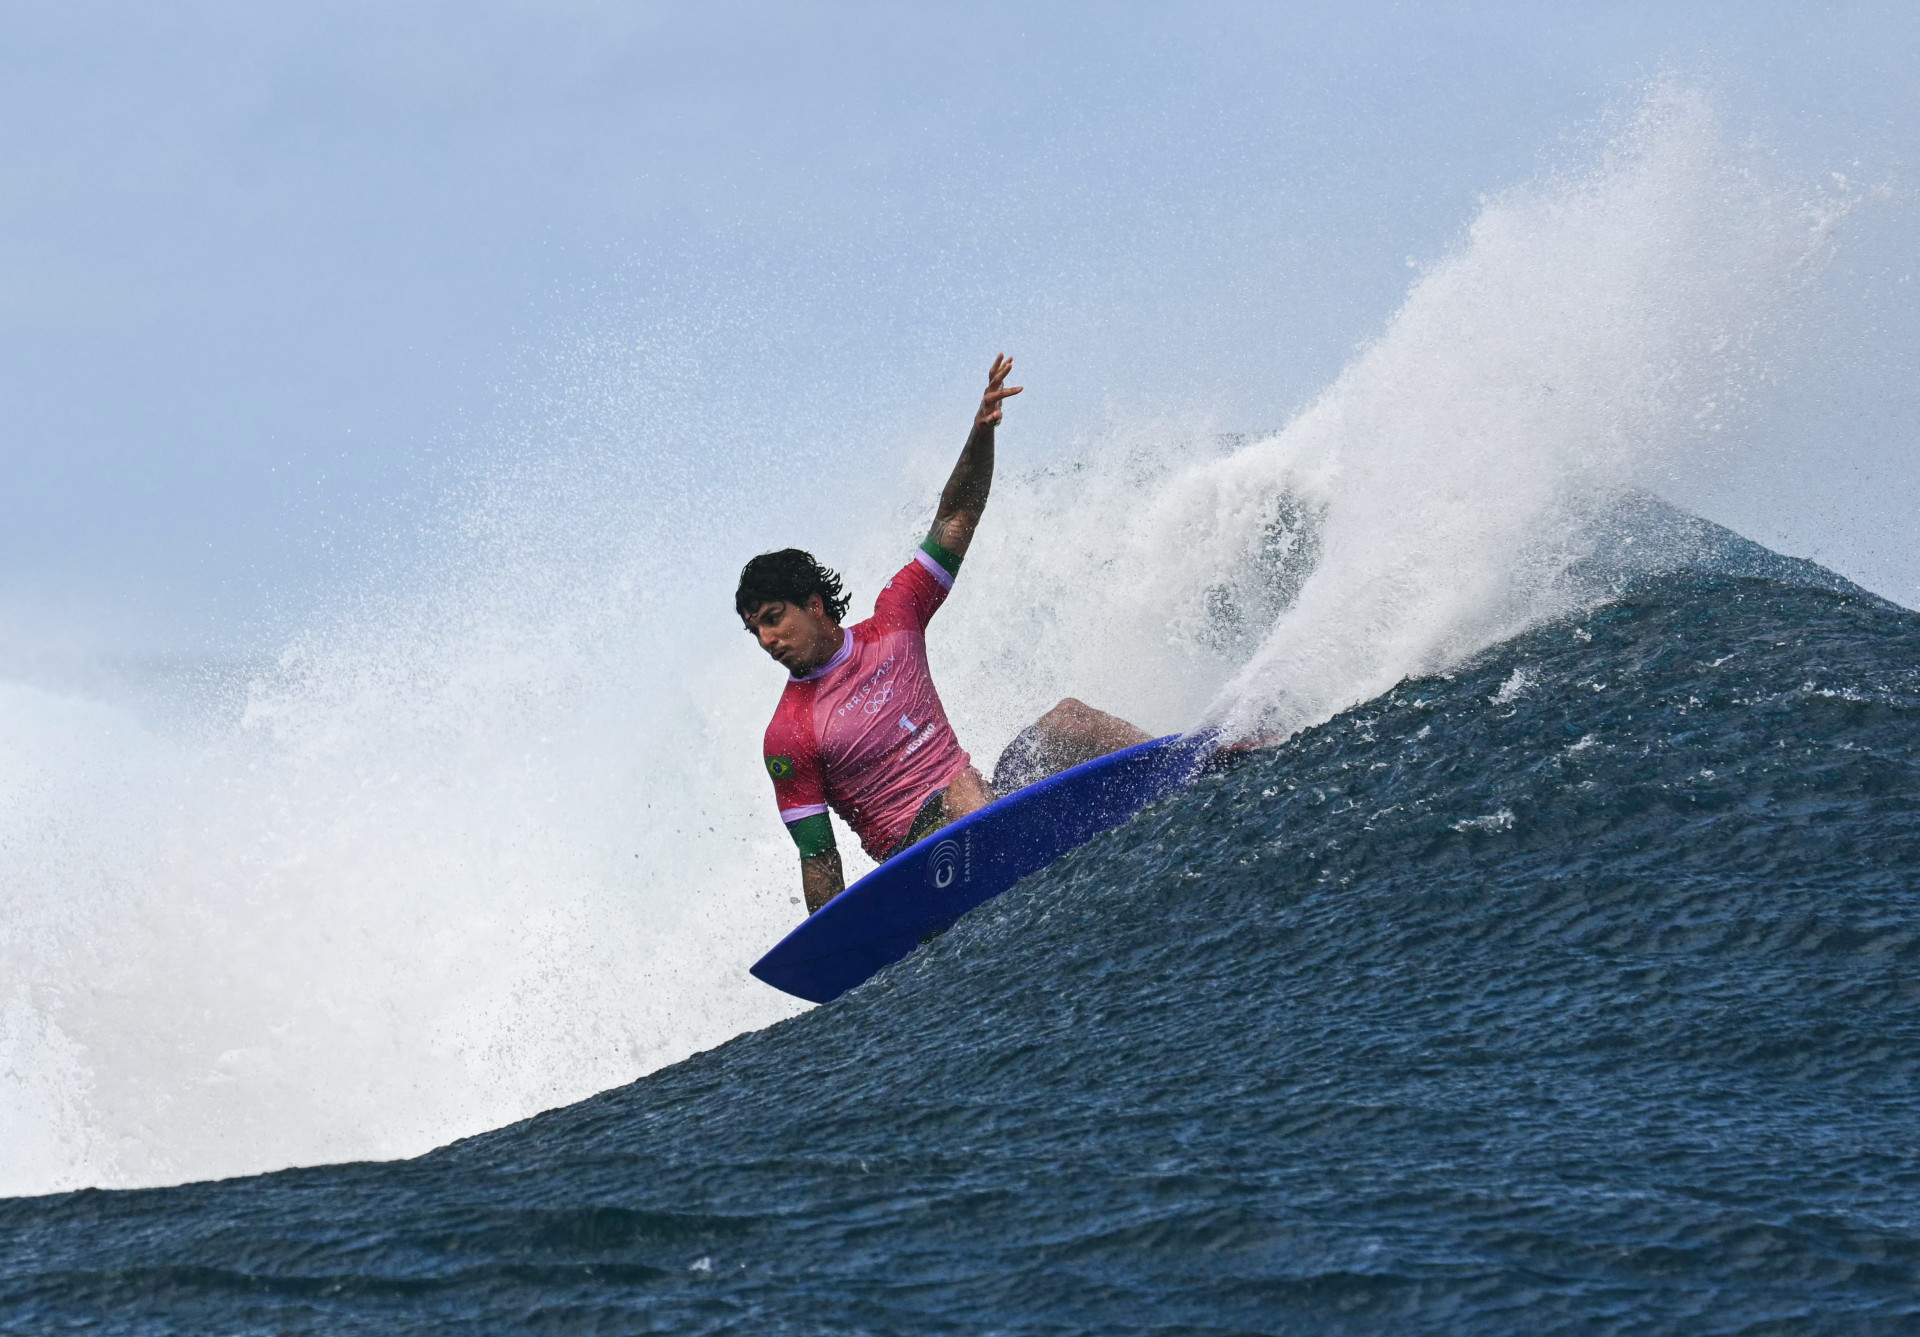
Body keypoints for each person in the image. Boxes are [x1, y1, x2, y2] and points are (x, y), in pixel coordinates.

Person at [737, 355, 1151, 914]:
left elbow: (955, 516)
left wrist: (981, 435)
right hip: (921, 863)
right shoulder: (787, 735)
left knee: (1066, 719)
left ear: (814, 606)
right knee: (961, 790)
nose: (767, 640)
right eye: (755, 629)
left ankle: (1189, 761)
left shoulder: (896, 620)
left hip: (981, 804)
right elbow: (819, 857)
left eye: (773, 617)